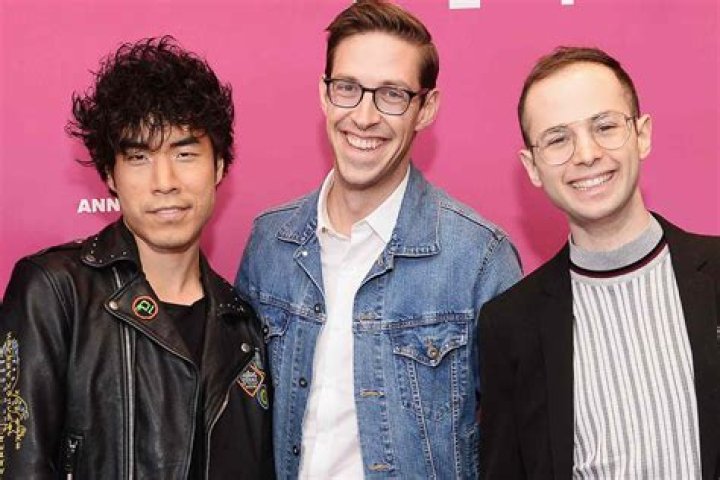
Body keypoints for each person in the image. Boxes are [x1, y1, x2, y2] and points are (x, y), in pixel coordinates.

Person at [235, 1, 521, 478]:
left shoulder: (479, 258)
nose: (364, 117)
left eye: (391, 94)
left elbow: (517, 445)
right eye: (348, 88)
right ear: (325, 94)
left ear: (426, 108)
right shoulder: (270, 244)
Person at [0, 36, 273, 479]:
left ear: (220, 166)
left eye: (185, 153)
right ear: (110, 174)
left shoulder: (243, 327)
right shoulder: (55, 292)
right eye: (140, 157)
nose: (165, 181)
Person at [479, 46, 720, 479]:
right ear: (532, 166)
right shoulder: (510, 325)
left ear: (641, 134)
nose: (586, 154)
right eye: (558, 139)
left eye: (605, 127)